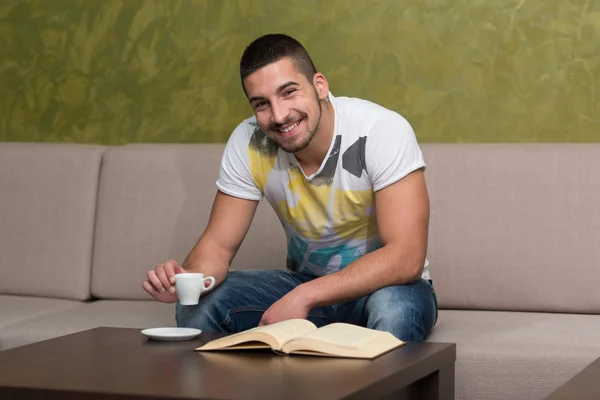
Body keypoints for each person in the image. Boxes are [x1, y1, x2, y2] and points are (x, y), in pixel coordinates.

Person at [142, 33, 438, 341]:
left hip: (386, 289)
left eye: (289, 92)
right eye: (262, 104)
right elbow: (217, 247)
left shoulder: (379, 131)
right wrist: (186, 280)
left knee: (396, 311)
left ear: (320, 86)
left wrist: (305, 296)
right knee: (199, 307)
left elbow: (406, 256)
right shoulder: (249, 142)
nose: (279, 115)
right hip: (305, 284)